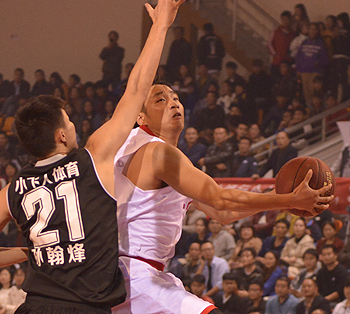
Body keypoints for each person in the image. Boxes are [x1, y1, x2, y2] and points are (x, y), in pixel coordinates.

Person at [0, 0, 192, 314]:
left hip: (34, 307)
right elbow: (137, 89)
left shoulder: (13, 189)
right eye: (68, 121)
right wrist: (160, 26)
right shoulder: (91, 161)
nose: (74, 125)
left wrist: (32, 251)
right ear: (61, 135)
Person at [111, 79, 331, 314]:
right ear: (141, 117)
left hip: (129, 274)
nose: (173, 104)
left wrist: (280, 195)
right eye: (161, 100)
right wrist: (290, 200)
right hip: (136, 274)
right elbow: (220, 199)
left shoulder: (138, 148)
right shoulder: (158, 152)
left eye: (175, 98)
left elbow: (223, 213)